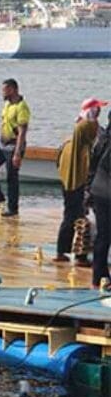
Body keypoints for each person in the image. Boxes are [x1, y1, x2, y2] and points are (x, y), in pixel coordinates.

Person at [55, 118, 99, 265]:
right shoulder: (85, 150)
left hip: (66, 184)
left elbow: (58, 162)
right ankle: (81, 256)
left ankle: (61, 251)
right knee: (83, 222)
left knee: (68, 217)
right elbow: (90, 172)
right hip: (80, 187)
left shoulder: (67, 145)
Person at [0, 78, 30, 217]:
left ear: (13, 89)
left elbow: (22, 132)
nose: (2, 93)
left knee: (11, 177)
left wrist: (17, 153)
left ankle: (13, 208)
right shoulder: (7, 104)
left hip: (13, 146)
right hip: (2, 143)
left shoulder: (21, 107)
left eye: (5, 90)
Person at [89, 115, 111, 288]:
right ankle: (101, 276)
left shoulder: (102, 137)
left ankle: (99, 276)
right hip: (107, 192)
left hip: (98, 190)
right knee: (104, 235)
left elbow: (92, 164)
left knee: (103, 235)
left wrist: (88, 190)